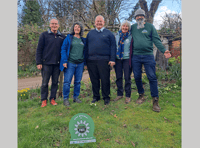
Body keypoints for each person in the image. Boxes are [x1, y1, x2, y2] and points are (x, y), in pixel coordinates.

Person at [131, 9, 171, 112]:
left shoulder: (150, 27)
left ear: (144, 17)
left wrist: (164, 50)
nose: (139, 17)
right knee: (136, 76)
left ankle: (155, 101)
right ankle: (141, 95)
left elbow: (156, 40)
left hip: (148, 56)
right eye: (137, 16)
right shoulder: (133, 28)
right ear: (135, 18)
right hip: (136, 56)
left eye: (141, 16)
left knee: (152, 77)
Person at [85, 15, 116, 105]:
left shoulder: (109, 33)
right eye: (97, 21)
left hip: (104, 60)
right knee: (94, 80)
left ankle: (106, 97)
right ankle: (96, 97)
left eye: (100, 21)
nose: (99, 23)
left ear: (104, 22)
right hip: (91, 60)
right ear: (94, 23)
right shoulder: (90, 34)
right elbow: (86, 48)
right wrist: (85, 61)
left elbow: (113, 47)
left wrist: (112, 59)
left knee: (105, 79)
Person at [36, 18, 66, 107]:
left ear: (58, 25)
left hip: (57, 64)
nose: (54, 25)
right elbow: (39, 50)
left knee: (55, 83)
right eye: (52, 24)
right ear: (50, 25)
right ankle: (44, 100)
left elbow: (64, 50)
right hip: (46, 64)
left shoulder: (62, 37)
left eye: (56, 24)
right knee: (45, 83)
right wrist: (38, 62)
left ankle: (52, 99)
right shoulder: (44, 35)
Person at [60, 22, 86, 106]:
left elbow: (85, 51)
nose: (77, 28)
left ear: (81, 29)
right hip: (70, 63)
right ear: (73, 29)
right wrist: (64, 61)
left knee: (78, 82)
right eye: (75, 27)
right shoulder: (69, 38)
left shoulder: (83, 40)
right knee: (67, 82)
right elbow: (63, 49)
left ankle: (76, 97)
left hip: (80, 64)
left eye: (79, 27)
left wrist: (85, 63)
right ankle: (65, 99)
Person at [114, 20, 132, 104]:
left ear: (128, 28)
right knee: (118, 77)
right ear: (121, 26)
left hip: (127, 59)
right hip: (118, 59)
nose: (125, 27)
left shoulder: (130, 36)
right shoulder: (117, 35)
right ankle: (119, 94)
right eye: (123, 26)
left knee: (127, 77)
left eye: (126, 26)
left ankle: (128, 96)